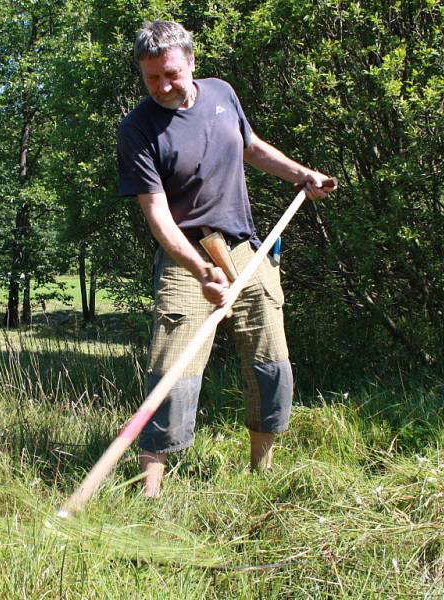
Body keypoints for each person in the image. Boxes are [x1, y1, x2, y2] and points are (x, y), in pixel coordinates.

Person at [116, 20, 334, 497]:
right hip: (185, 256)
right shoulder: (137, 129)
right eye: (152, 78)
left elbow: (252, 148)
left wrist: (303, 175)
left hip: (246, 250)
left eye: (171, 74)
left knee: (270, 363)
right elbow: (158, 218)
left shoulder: (221, 94)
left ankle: (262, 469)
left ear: (192, 62)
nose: (163, 86)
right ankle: (151, 490)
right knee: (171, 369)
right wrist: (201, 270)